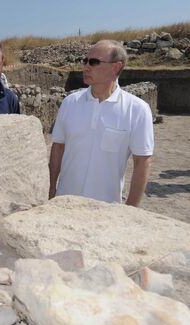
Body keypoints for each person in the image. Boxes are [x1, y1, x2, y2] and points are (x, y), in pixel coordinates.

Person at [48, 40, 154, 207]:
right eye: (85, 61)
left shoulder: (137, 110)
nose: (86, 67)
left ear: (116, 67)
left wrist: (131, 211)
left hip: (106, 210)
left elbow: (142, 162)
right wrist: (51, 189)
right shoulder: (70, 103)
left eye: (94, 62)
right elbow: (58, 148)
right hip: (64, 203)